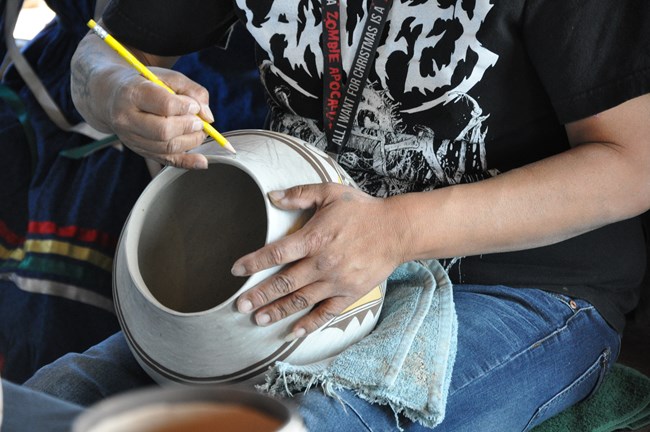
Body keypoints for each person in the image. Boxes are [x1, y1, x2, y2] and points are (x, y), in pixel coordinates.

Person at [7, 0, 650, 431]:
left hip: (518, 283)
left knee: (303, 424)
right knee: (49, 402)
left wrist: (400, 229)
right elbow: (102, 48)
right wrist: (118, 91)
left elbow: (634, 162)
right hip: (300, 261)